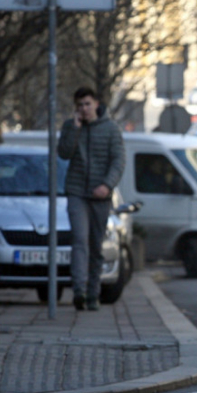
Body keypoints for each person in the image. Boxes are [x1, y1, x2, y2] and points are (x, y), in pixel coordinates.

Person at [57, 87, 125, 311]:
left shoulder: (110, 129)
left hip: (100, 196)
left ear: (96, 103)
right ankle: (79, 291)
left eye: (87, 104)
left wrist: (107, 185)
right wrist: (75, 129)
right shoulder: (70, 126)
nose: (83, 109)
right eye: (79, 105)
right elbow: (64, 153)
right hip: (77, 192)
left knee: (96, 246)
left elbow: (118, 160)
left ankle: (93, 294)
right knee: (79, 240)